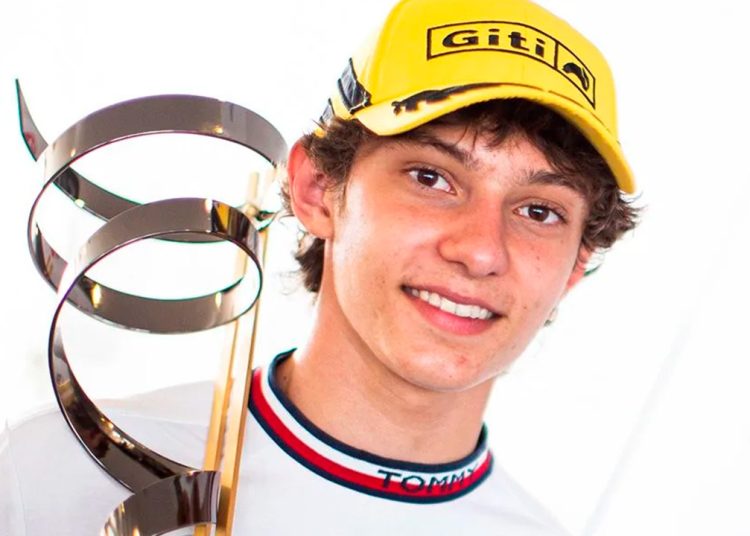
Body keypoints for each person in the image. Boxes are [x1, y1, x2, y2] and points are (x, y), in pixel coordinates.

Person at [0, 0, 637, 534]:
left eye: (539, 211)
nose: (481, 250)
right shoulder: (54, 475)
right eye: (431, 177)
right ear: (317, 189)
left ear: (576, 263)